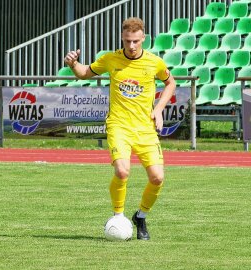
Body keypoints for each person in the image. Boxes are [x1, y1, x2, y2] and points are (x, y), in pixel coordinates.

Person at [64, 17, 176, 240]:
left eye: (135, 41)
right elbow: (85, 72)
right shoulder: (110, 59)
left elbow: (170, 82)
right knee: (122, 171)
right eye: (127, 41)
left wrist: (159, 108)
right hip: (119, 126)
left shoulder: (155, 62)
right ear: (122, 39)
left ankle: (141, 216)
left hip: (145, 128)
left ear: (143, 38)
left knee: (157, 178)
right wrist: (73, 64)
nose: (131, 46)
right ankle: (117, 216)